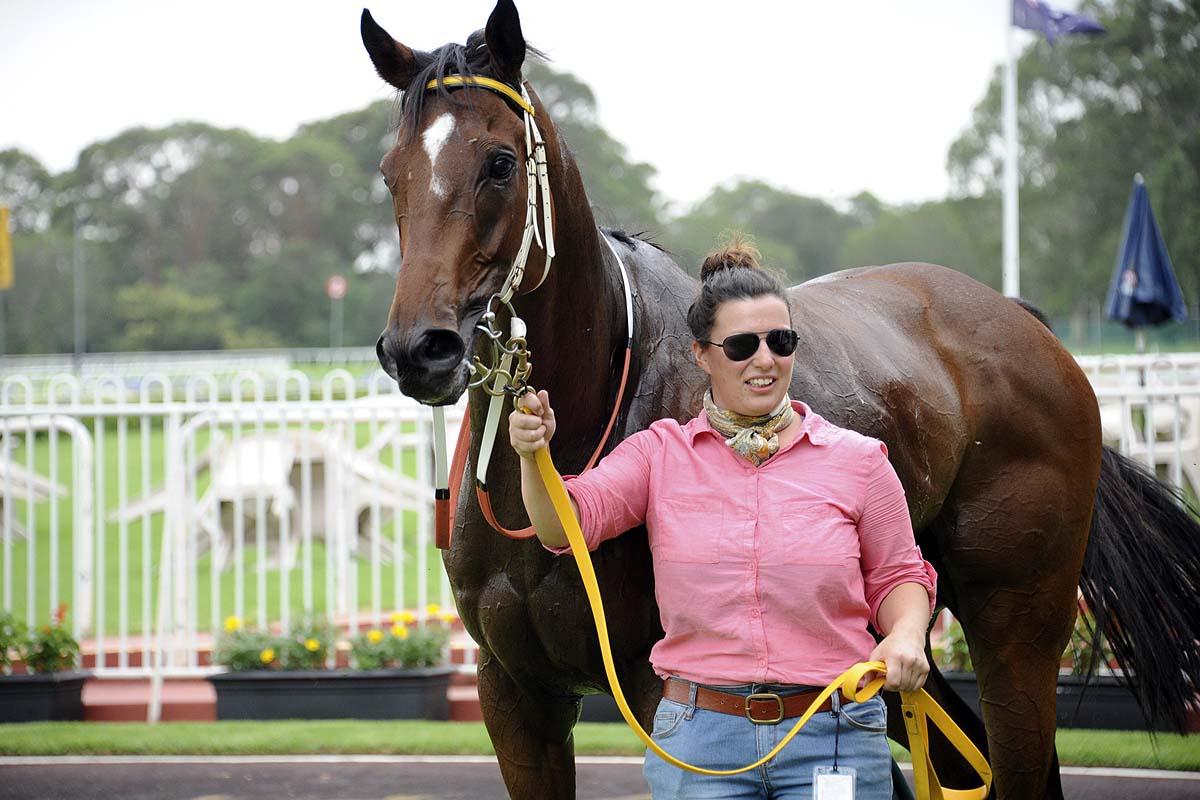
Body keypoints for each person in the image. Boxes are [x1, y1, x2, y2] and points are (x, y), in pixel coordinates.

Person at [508, 240, 936, 799]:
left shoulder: (859, 461)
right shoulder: (659, 454)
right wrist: (533, 456)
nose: (765, 360)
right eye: (741, 345)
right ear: (701, 355)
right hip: (700, 739)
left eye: (780, 341)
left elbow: (898, 576)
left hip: (834, 732)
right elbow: (564, 524)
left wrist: (907, 633)